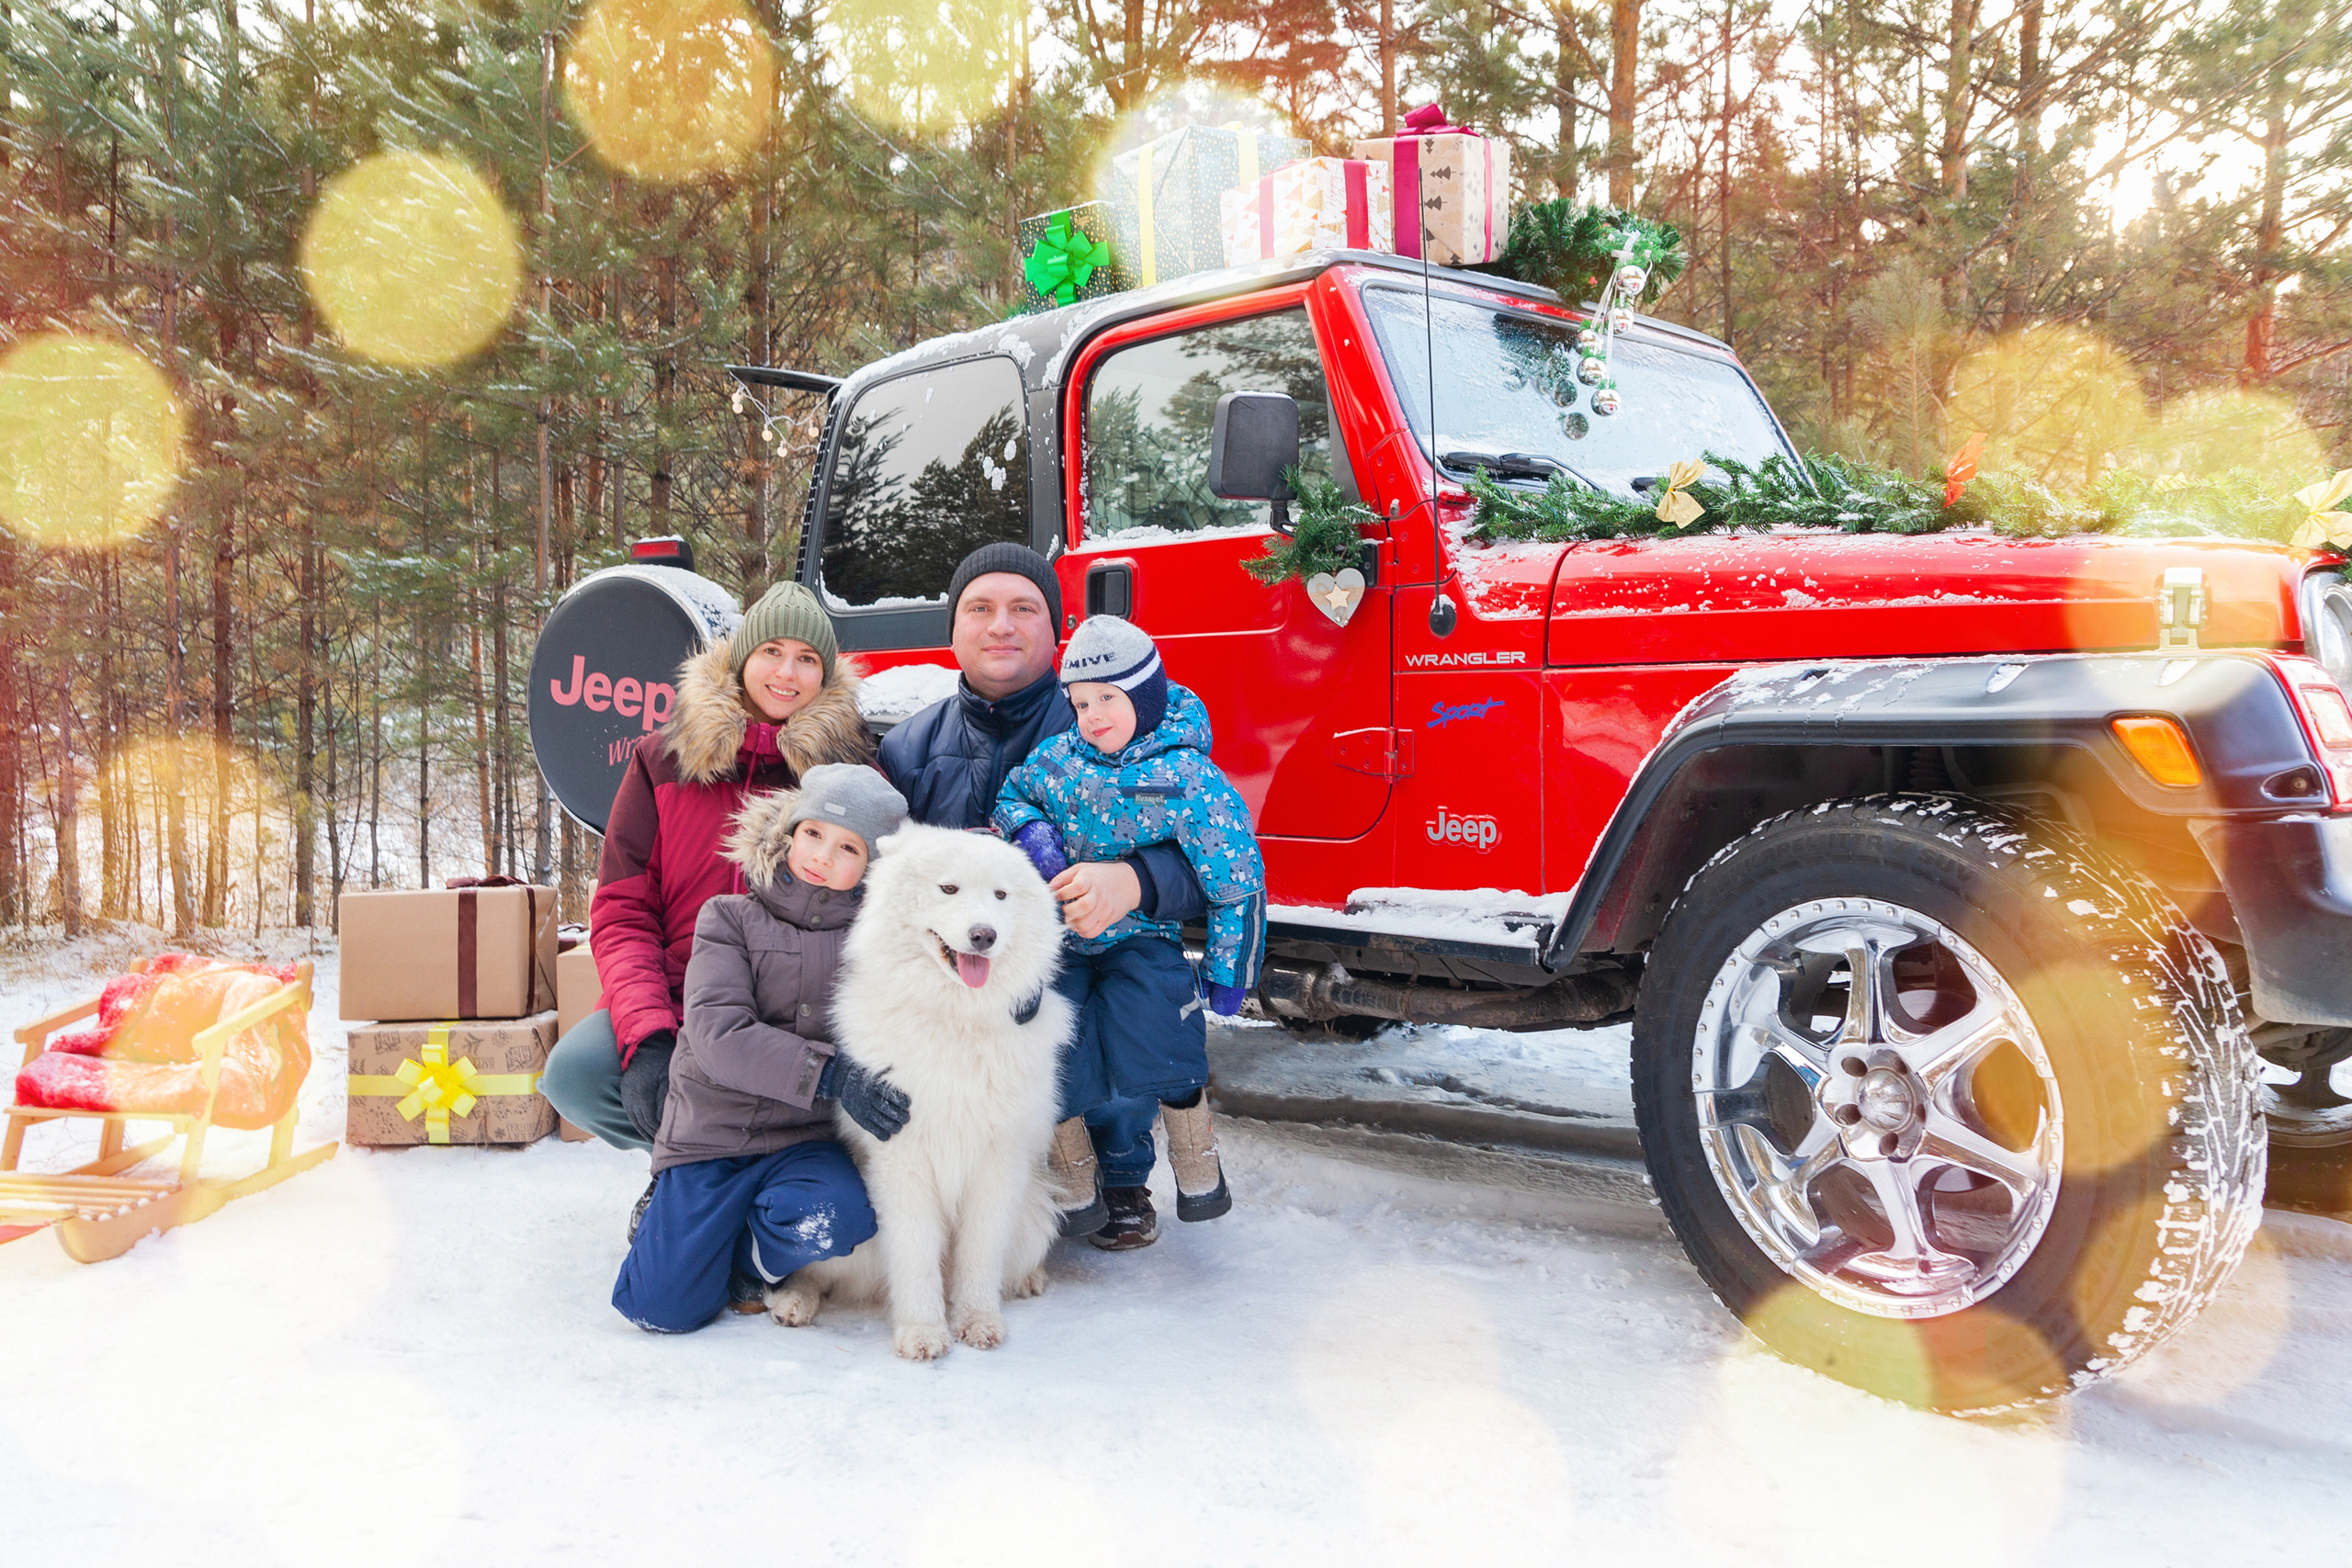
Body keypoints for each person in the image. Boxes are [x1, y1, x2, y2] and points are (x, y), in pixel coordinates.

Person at [876, 543, 1211, 1244]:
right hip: (955, 973)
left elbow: (1215, 857)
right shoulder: (908, 749)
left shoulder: (1108, 728)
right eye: (981, 608)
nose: (1002, 625)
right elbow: (877, 885)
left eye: (1023, 608)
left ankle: (1116, 1174)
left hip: (1080, 951)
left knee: (1112, 1000)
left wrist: (1140, 879)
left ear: (1055, 631)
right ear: (954, 631)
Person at [541, 582, 876, 1213]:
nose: (786, 671)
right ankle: (684, 1165)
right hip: (681, 1000)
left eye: (807, 658)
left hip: (799, 1014)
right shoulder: (659, 762)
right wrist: (650, 1036)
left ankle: (776, 1178)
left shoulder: (852, 776)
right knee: (575, 1073)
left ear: (826, 675)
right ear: (740, 656)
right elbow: (622, 912)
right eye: (772, 650)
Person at [994, 615, 1266, 1250]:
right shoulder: (1058, 759)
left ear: (1143, 695)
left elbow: (1235, 874)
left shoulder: (1185, 775)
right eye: (1081, 702)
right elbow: (1013, 797)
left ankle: (1190, 1162)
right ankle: (1076, 1179)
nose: (1092, 715)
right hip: (1064, 936)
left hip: (1142, 934)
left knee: (1157, 1027)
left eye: (1108, 699)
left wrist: (1230, 969)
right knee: (1053, 1040)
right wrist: (1033, 833)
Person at [612, 765, 914, 1331]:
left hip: (804, 1140)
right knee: (661, 1310)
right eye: (813, 833)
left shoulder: (876, 941)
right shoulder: (728, 917)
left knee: (840, 1218)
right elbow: (718, 1035)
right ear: (789, 832)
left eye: (848, 847)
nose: (823, 855)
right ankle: (680, 1226)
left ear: (873, 866)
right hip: (711, 1134)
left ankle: (749, 1255)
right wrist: (832, 1076)